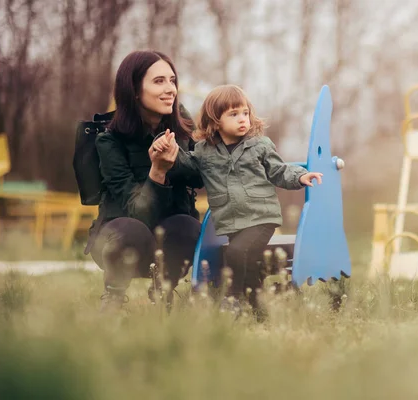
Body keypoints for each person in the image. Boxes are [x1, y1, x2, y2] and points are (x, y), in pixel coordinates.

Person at [152, 84, 322, 319]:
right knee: (249, 265)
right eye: (234, 114)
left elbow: (279, 170)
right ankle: (261, 308)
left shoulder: (260, 145)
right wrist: (168, 148)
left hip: (261, 217)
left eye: (245, 113)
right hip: (230, 221)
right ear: (215, 121)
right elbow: (186, 166)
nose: (243, 119)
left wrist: (300, 176)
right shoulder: (204, 151)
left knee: (236, 253)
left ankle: (232, 299)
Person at [86, 50, 204, 312]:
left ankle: (164, 291)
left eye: (172, 80)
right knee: (132, 230)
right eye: (159, 81)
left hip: (168, 236)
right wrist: (157, 171)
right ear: (135, 90)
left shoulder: (182, 129)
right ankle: (113, 296)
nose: (170, 89)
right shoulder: (109, 140)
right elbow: (137, 213)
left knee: (188, 226)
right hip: (119, 237)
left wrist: (179, 159)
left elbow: (201, 176)